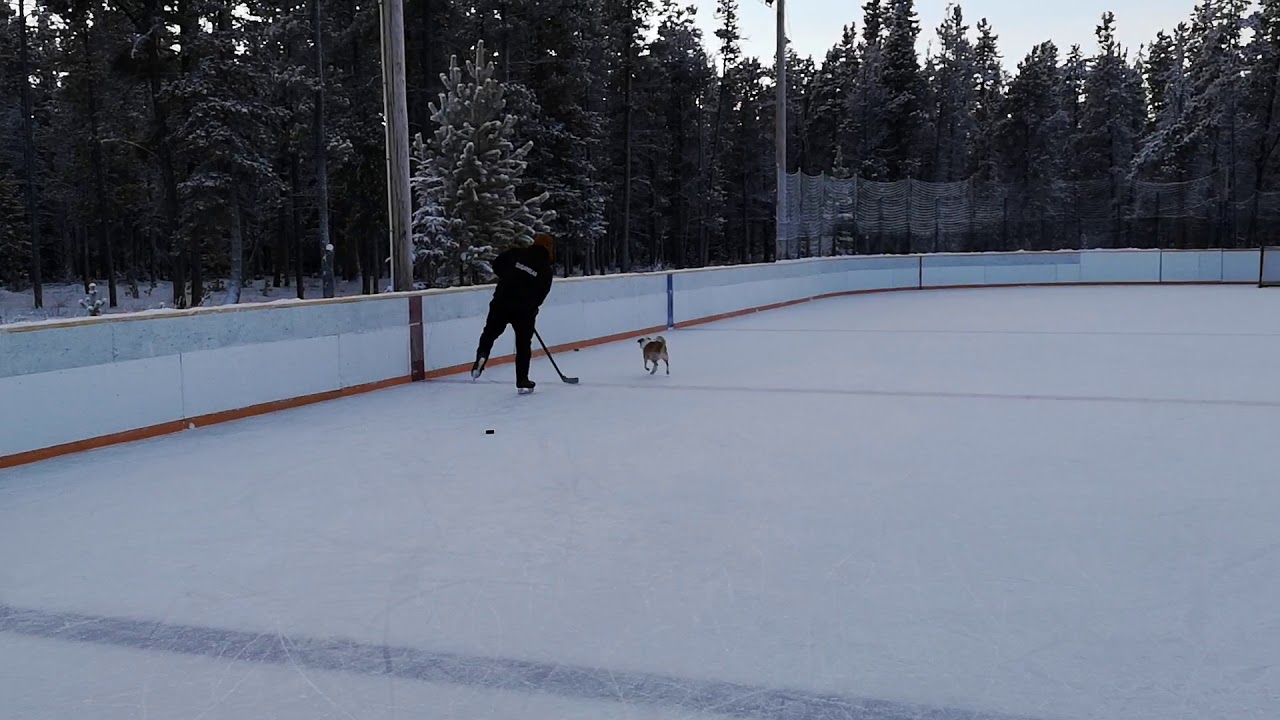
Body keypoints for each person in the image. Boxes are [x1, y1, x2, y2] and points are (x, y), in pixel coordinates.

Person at [470, 233, 556, 392]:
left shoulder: (517, 254)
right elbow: (542, 294)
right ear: (548, 248)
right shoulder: (545, 269)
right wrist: (532, 307)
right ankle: (522, 380)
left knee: (490, 333)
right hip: (524, 311)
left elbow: (497, 264)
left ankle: (482, 356)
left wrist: (509, 278)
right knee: (523, 345)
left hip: (502, 302)